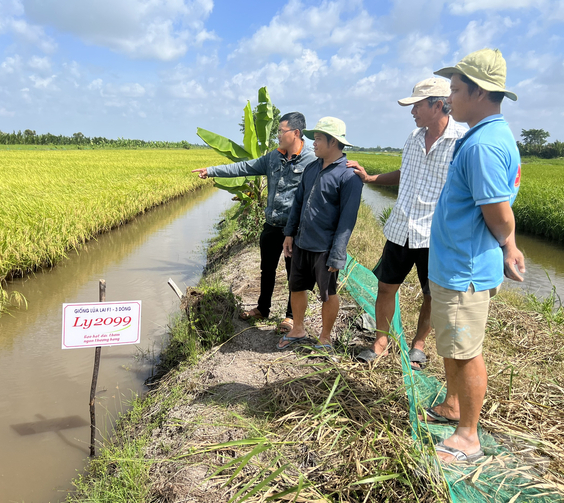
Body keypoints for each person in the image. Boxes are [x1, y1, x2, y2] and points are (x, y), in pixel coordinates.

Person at [425, 49, 525, 463]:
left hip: (464, 269)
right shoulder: (481, 136)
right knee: (453, 344)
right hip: (455, 265)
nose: (449, 99)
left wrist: (509, 244)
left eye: (454, 90)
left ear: (480, 92)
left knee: (466, 352)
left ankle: (468, 435)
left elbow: (499, 212)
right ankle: (452, 406)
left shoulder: (483, 145)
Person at [348, 78, 467, 369]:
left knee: (431, 295)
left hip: (435, 235)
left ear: (437, 105)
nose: (412, 111)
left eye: (416, 105)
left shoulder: (462, 141)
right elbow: (406, 173)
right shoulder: (413, 138)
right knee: (386, 287)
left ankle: (419, 344)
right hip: (401, 227)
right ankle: (380, 343)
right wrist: (371, 178)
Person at [192, 112, 314, 333]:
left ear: (295, 133)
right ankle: (262, 308)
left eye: (281, 131)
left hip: (295, 230)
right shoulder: (272, 158)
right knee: (266, 269)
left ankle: (290, 317)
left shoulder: (312, 159)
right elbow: (243, 167)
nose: (277, 135)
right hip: (271, 226)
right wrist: (211, 171)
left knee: (293, 274)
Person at [278, 117, 363, 351]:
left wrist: (337, 253)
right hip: (302, 242)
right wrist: (290, 233)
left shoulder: (348, 176)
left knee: (328, 293)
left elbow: (347, 220)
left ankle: (325, 338)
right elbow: (298, 203)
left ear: (333, 142)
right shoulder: (312, 168)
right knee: (296, 287)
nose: (312, 143)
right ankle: (298, 328)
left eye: (317, 139)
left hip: (325, 248)